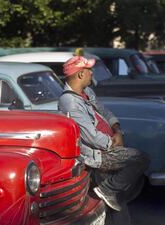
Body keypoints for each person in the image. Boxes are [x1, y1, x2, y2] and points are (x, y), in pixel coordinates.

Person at [58, 56, 150, 217]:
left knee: (117, 203)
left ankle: (110, 191)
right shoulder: (70, 102)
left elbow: (104, 111)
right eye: (89, 70)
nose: (92, 73)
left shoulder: (86, 92)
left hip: (109, 146)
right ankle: (107, 189)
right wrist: (113, 144)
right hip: (98, 154)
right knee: (140, 158)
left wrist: (117, 130)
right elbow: (90, 136)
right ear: (80, 74)